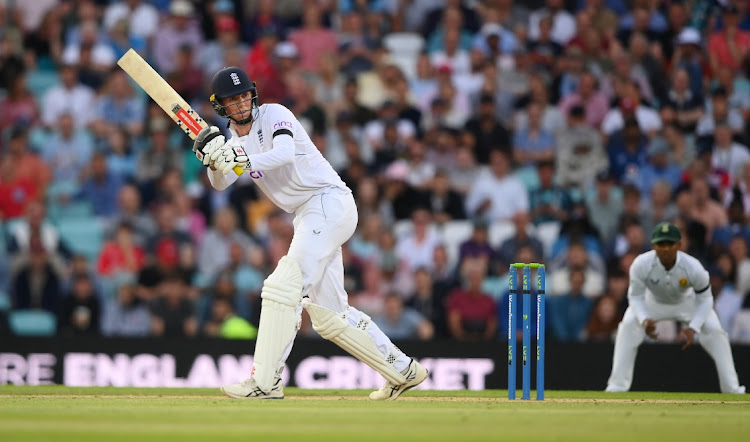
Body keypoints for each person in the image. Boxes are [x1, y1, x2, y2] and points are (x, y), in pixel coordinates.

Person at [192, 66, 428, 400]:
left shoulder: (275, 114)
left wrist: (238, 156)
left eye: (245, 94)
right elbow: (222, 182)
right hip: (308, 215)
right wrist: (214, 161)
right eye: (234, 99)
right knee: (330, 317)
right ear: (222, 106)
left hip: (329, 202)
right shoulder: (233, 141)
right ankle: (402, 369)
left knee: (282, 285)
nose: (242, 103)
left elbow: (283, 154)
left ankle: (265, 382)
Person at [605, 222, 745, 394]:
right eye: (660, 244)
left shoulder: (693, 267)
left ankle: (732, 389)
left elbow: (706, 300)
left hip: (686, 302)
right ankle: (617, 387)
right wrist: (644, 319)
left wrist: (693, 327)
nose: (665, 249)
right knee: (627, 326)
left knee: (715, 331)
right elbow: (635, 297)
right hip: (652, 302)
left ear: (679, 245)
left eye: (669, 244)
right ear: (653, 246)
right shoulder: (641, 264)